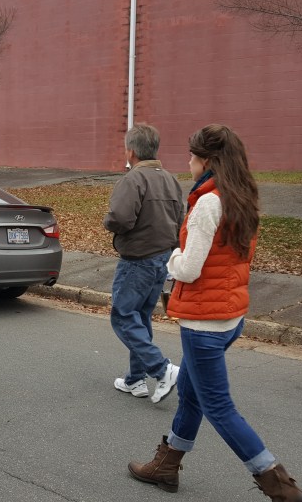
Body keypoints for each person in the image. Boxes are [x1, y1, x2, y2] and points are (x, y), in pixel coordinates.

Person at [128, 125, 302, 501]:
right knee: (193, 394)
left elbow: (189, 268)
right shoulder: (242, 196)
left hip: (203, 321)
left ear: (208, 161)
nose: (189, 163)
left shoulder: (208, 202)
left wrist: (172, 258)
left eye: (193, 157)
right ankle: (166, 465)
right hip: (229, 315)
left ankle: (280, 486)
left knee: (217, 405)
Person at [104, 123, 184, 403]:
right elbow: (180, 220)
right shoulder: (171, 180)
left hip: (138, 258)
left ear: (132, 151)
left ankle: (162, 369)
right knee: (140, 317)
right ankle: (136, 379)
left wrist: (109, 222)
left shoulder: (133, 180)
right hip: (161, 257)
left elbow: (120, 218)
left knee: (124, 316)